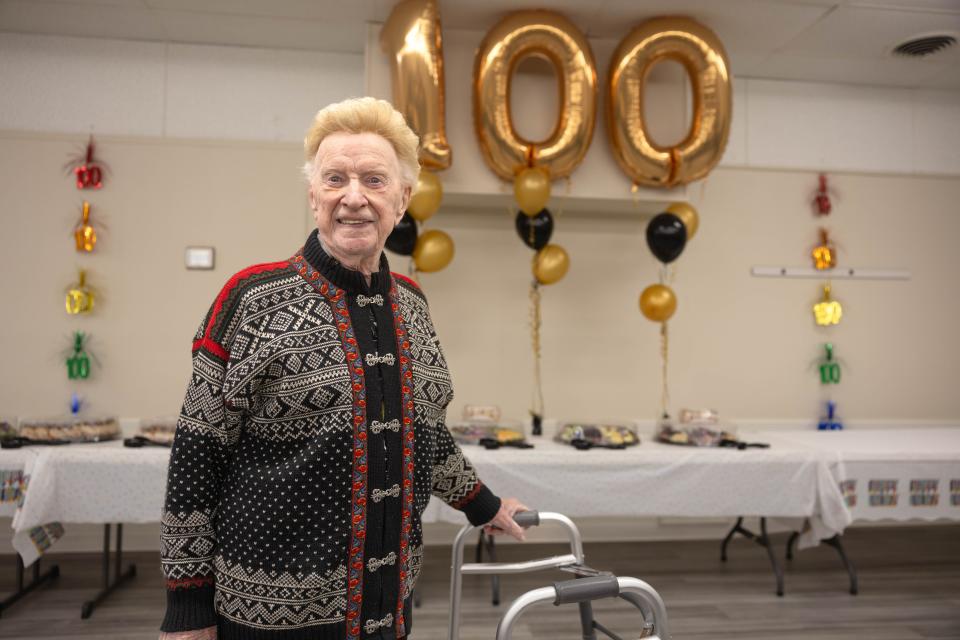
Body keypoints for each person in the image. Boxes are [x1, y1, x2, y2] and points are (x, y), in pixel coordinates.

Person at [159, 97, 527, 640]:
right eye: (335, 179)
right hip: (268, 614)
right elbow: (196, 456)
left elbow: (426, 434)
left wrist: (483, 505)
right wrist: (187, 608)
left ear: (402, 200)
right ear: (313, 197)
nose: (353, 197)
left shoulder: (413, 305)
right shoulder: (251, 299)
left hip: (387, 603)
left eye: (374, 180)